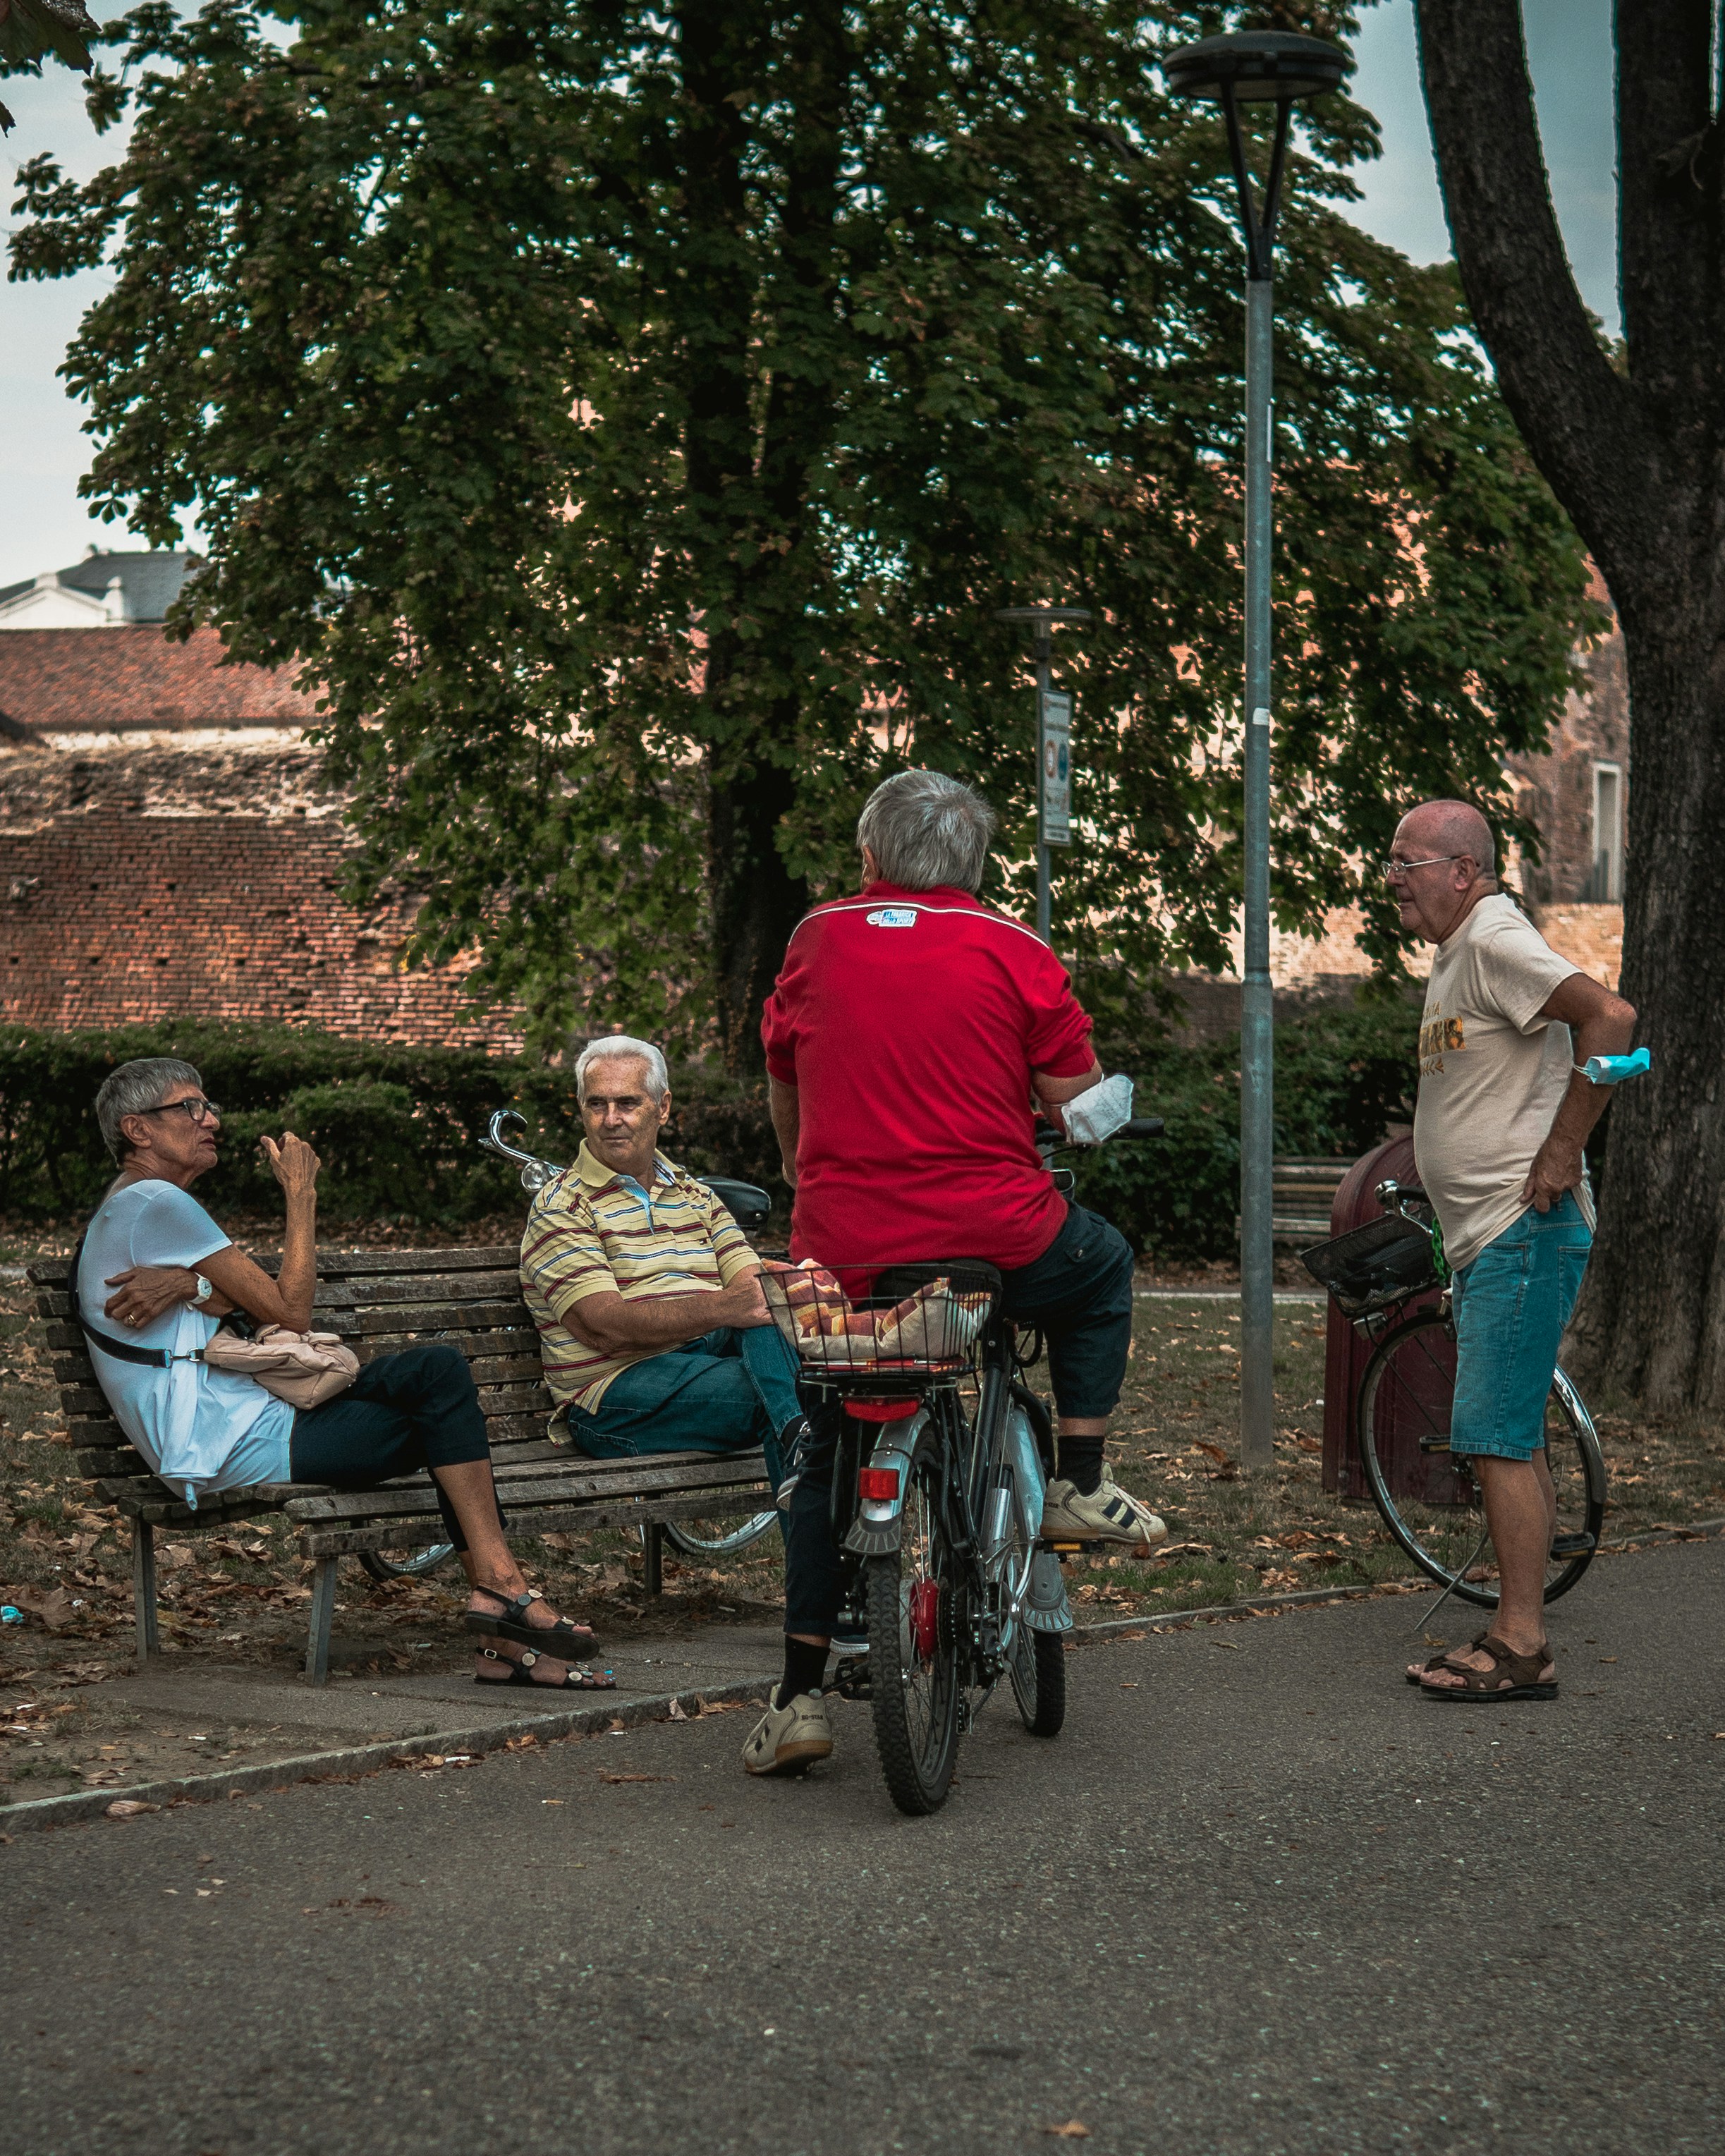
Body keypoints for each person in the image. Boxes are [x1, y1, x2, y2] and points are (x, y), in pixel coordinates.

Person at [740, 768, 1166, 1776]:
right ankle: (1080, 1483)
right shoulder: (1015, 948)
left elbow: (783, 1077)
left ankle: (799, 1696)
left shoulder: (814, 937)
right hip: (995, 1240)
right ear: (973, 868)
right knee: (1101, 1266)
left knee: (822, 1450)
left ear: (871, 858)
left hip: (841, 1250)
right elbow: (1071, 1100)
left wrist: (809, 1179)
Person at [80, 1057, 611, 1691]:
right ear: (138, 1130)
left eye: (207, 1104)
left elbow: (230, 1298)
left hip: (244, 1419)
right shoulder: (160, 1202)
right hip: (226, 1442)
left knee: (438, 1385)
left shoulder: (130, 1205)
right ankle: (502, 1605)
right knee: (445, 1414)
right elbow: (289, 1310)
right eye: (190, 1108)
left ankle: (501, 1608)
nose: (211, 1119)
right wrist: (301, 1196)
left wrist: (191, 1283)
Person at [1389, 802, 1636, 1702]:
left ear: (1463, 870)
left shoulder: (1493, 938)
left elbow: (1610, 1017)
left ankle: (1522, 1642)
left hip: (1520, 1229)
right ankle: (1514, 1627)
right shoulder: (1461, 953)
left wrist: (1565, 1144)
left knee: (1494, 1438)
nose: (1392, 880)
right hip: (1494, 1231)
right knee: (1510, 1436)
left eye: (1406, 863)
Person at [519, 1036, 803, 1481]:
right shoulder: (562, 1207)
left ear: (662, 1107)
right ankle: (803, 1456)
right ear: (581, 1108)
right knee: (795, 1392)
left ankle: (799, 1442)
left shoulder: (696, 1196)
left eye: (628, 1103)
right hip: (614, 1394)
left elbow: (754, 1290)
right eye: (597, 1105)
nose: (611, 1120)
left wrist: (749, 1301)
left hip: (703, 1354)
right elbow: (604, 1328)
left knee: (769, 1319)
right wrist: (728, 1306)